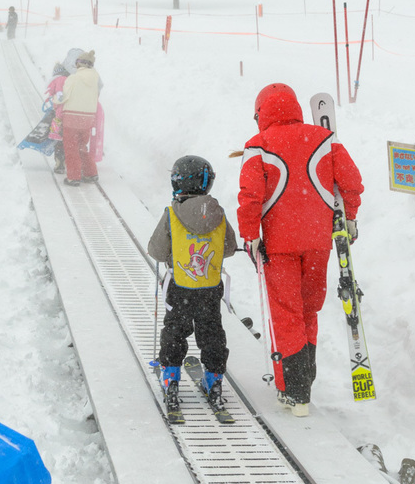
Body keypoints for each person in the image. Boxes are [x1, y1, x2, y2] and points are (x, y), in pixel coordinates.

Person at [237, 83, 363, 417]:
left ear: (260, 113)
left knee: (286, 312)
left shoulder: (257, 146)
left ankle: (295, 391)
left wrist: (250, 235)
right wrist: (349, 215)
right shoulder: (325, 138)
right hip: (318, 241)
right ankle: (305, 382)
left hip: (278, 245)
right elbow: (350, 181)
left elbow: (251, 197)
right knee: (308, 309)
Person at [148, 155, 237, 417]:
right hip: (209, 288)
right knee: (211, 332)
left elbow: (156, 249)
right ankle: (214, 378)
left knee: (175, 329)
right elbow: (229, 247)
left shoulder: (171, 213)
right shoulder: (218, 214)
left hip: (180, 287)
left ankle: (171, 376)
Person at [58, 51, 101, 186]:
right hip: (88, 118)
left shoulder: (74, 78)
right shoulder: (95, 79)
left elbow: (64, 96)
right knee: (82, 146)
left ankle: (73, 177)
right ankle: (90, 173)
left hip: (72, 117)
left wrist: (56, 99)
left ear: (79, 64)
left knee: (71, 147)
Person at [44, 61, 69, 173]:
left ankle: (59, 162)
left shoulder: (57, 80)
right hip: (70, 114)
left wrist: (56, 103)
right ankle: (69, 161)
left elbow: (58, 96)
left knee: (58, 140)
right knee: (70, 139)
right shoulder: (70, 80)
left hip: (59, 116)